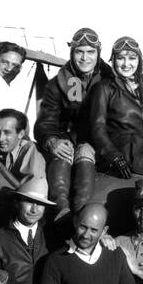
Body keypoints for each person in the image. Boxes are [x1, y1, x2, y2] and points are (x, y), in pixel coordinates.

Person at [35, 27, 112, 217]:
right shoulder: (57, 84)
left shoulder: (112, 82)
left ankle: (81, 213)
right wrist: (52, 141)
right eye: (79, 52)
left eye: (90, 52)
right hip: (67, 141)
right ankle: (61, 211)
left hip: (101, 146)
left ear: (98, 54)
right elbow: (46, 120)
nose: (85, 58)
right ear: (72, 53)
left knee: (85, 151)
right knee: (64, 151)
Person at [36, 203, 139, 284]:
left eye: (94, 230)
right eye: (83, 227)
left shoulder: (116, 255)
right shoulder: (56, 260)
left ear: (104, 231)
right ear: (75, 222)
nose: (86, 235)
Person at [88, 36, 143, 178]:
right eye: (120, 58)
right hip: (121, 153)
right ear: (113, 60)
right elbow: (97, 128)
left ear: (139, 61)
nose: (126, 64)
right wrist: (114, 156)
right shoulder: (104, 88)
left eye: (132, 58)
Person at [0, 108, 45, 185]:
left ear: (21, 134)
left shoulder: (30, 150)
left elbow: (32, 188)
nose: (0, 138)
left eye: (7, 132)